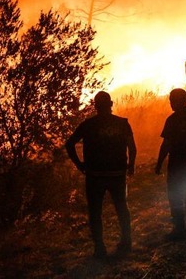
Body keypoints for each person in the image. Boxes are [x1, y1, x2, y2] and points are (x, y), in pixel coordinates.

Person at [65, 91, 137, 259]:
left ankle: (100, 247)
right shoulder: (122, 123)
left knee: (95, 211)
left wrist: (80, 165)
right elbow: (132, 148)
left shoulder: (87, 125)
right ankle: (126, 242)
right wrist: (131, 166)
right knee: (122, 208)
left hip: (94, 175)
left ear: (95, 106)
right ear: (111, 104)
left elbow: (69, 145)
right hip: (117, 174)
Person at [155, 61, 186, 240]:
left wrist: (159, 164)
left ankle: (179, 229)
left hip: (177, 163)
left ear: (176, 101)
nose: (170, 103)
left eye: (171, 100)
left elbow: (166, 144)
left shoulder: (172, 120)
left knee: (175, 196)